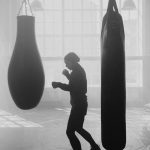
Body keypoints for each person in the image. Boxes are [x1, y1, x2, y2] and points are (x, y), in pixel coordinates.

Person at [52, 52, 101, 150]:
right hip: (81, 104)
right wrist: (67, 75)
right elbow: (76, 84)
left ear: (71, 61)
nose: (66, 65)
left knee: (70, 132)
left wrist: (58, 84)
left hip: (78, 105)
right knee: (78, 128)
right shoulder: (78, 70)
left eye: (67, 63)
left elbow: (72, 87)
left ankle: (92, 147)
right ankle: (95, 147)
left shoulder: (77, 71)